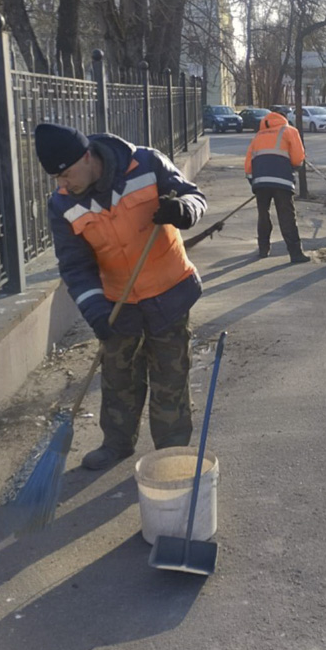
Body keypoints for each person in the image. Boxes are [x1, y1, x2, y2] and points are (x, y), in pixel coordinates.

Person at [34, 122, 207, 470]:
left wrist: (183, 210)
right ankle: (116, 443)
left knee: (170, 378)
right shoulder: (63, 205)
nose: (63, 184)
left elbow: (194, 196)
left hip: (169, 293)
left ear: (87, 156)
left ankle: (170, 454)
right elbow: (74, 266)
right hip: (117, 303)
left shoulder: (144, 164)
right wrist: (94, 308)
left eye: (67, 174)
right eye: (56, 179)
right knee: (118, 376)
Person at [244, 109, 311, 263]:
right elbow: (297, 158)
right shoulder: (289, 131)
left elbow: (248, 163)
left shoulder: (258, 136)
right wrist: (295, 166)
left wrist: (253, 180)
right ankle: (295, 253)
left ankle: (263, 249)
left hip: (260, 181)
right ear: (284, 118)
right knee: (287, 216)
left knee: (263, 214)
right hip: (282, 181)